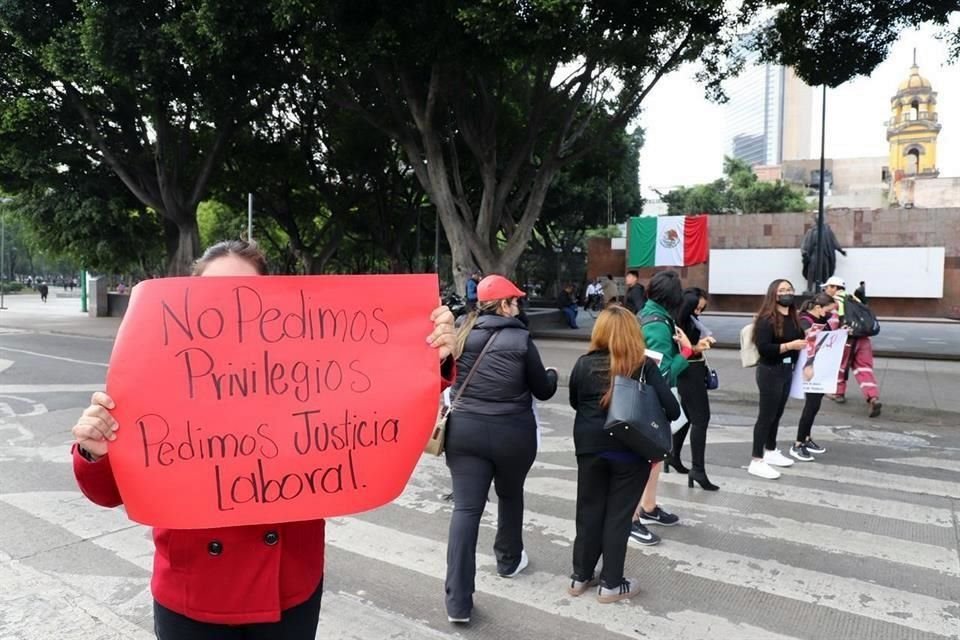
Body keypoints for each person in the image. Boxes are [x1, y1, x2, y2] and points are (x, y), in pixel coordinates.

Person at [70, 240, 458, 639]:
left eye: (245, 295)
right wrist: (93, 450)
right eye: (211, 295)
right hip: (192, 595)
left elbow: (375, 397)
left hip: (289, 590)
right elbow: (110, 493)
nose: (228, 309)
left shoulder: (304, 367)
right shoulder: (152, 374)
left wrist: (428, 356)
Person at [444, 274, 558, 624]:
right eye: (515, 300)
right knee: (510, 496)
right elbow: (543, 390)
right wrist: (551, 374)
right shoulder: (521, 339)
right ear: (504, 305)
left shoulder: (459, 334)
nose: (519, 305)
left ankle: (458, 603)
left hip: (464, 433)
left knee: (465, 511)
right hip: (512, 434)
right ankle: (508, 561)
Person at [568, 306, 680, 603]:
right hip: (630, 453)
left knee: (589, 512)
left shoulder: (583, 364)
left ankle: (580, 577)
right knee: (618, 518)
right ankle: (611, 584)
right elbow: (673, 409)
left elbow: (575, 401)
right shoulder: (642, 365)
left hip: (590, 450)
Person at [629, 271, 700, 545]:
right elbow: (664, 374)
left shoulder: (648, 314)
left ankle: (648, 508)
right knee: (644, 460)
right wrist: (686, 352)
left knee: (655, 457)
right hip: (650, 401)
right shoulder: (658, 326)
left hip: (644, 398)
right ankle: (632, 518)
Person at [748, 279, 807, 480]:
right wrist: (790, 346)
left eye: (789, 289)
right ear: (774, 294)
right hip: (770, 371)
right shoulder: (766, 319)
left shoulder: (793, 316)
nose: (787, 293)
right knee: (766, 416)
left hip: (786, 370)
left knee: (777, 413)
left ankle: (770, 450)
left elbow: (800, 339)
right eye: (782, 290)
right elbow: (764, 348)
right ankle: (756, 459)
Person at [672, 287, 718, 490]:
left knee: (689, 417)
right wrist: (698, 347)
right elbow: (683, 350)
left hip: (694, 371)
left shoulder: (689, 319)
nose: (699, 312)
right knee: (701, 419)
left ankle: (672, 456)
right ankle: (698, 469)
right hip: (689, 371)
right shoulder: (679, 322)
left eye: (702, 309)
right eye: (696, 308)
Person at [823, 276, 882, 417]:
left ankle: (838, 393)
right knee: (864, 368)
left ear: (834, 288)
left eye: (827, 287)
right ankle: (872, 397)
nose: (825, 290)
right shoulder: (855, 299)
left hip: (846, 339)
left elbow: (833, 323)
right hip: (863, 339)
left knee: (839, 366)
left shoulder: (835, 302)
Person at [791, 293, 839, 462]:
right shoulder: (805, 320)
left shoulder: (820, 321)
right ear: (818, 308)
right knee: (810, 406)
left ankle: (806, 438)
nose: (831, 314)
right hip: (809, 369)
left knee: (815, 405)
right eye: (829, 310)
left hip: (819, 369)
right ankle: (798, 443)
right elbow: (808, 340)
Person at [800, 218, 846, 293]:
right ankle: (809, 289)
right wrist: (804, 252)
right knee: (811, 270)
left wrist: (840, 250)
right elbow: (805, 243)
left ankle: (825, 289)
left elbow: (834, 241)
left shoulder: (827, 231)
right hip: (815, 252)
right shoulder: (811, 231)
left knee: (825, 271)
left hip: (824, 253)